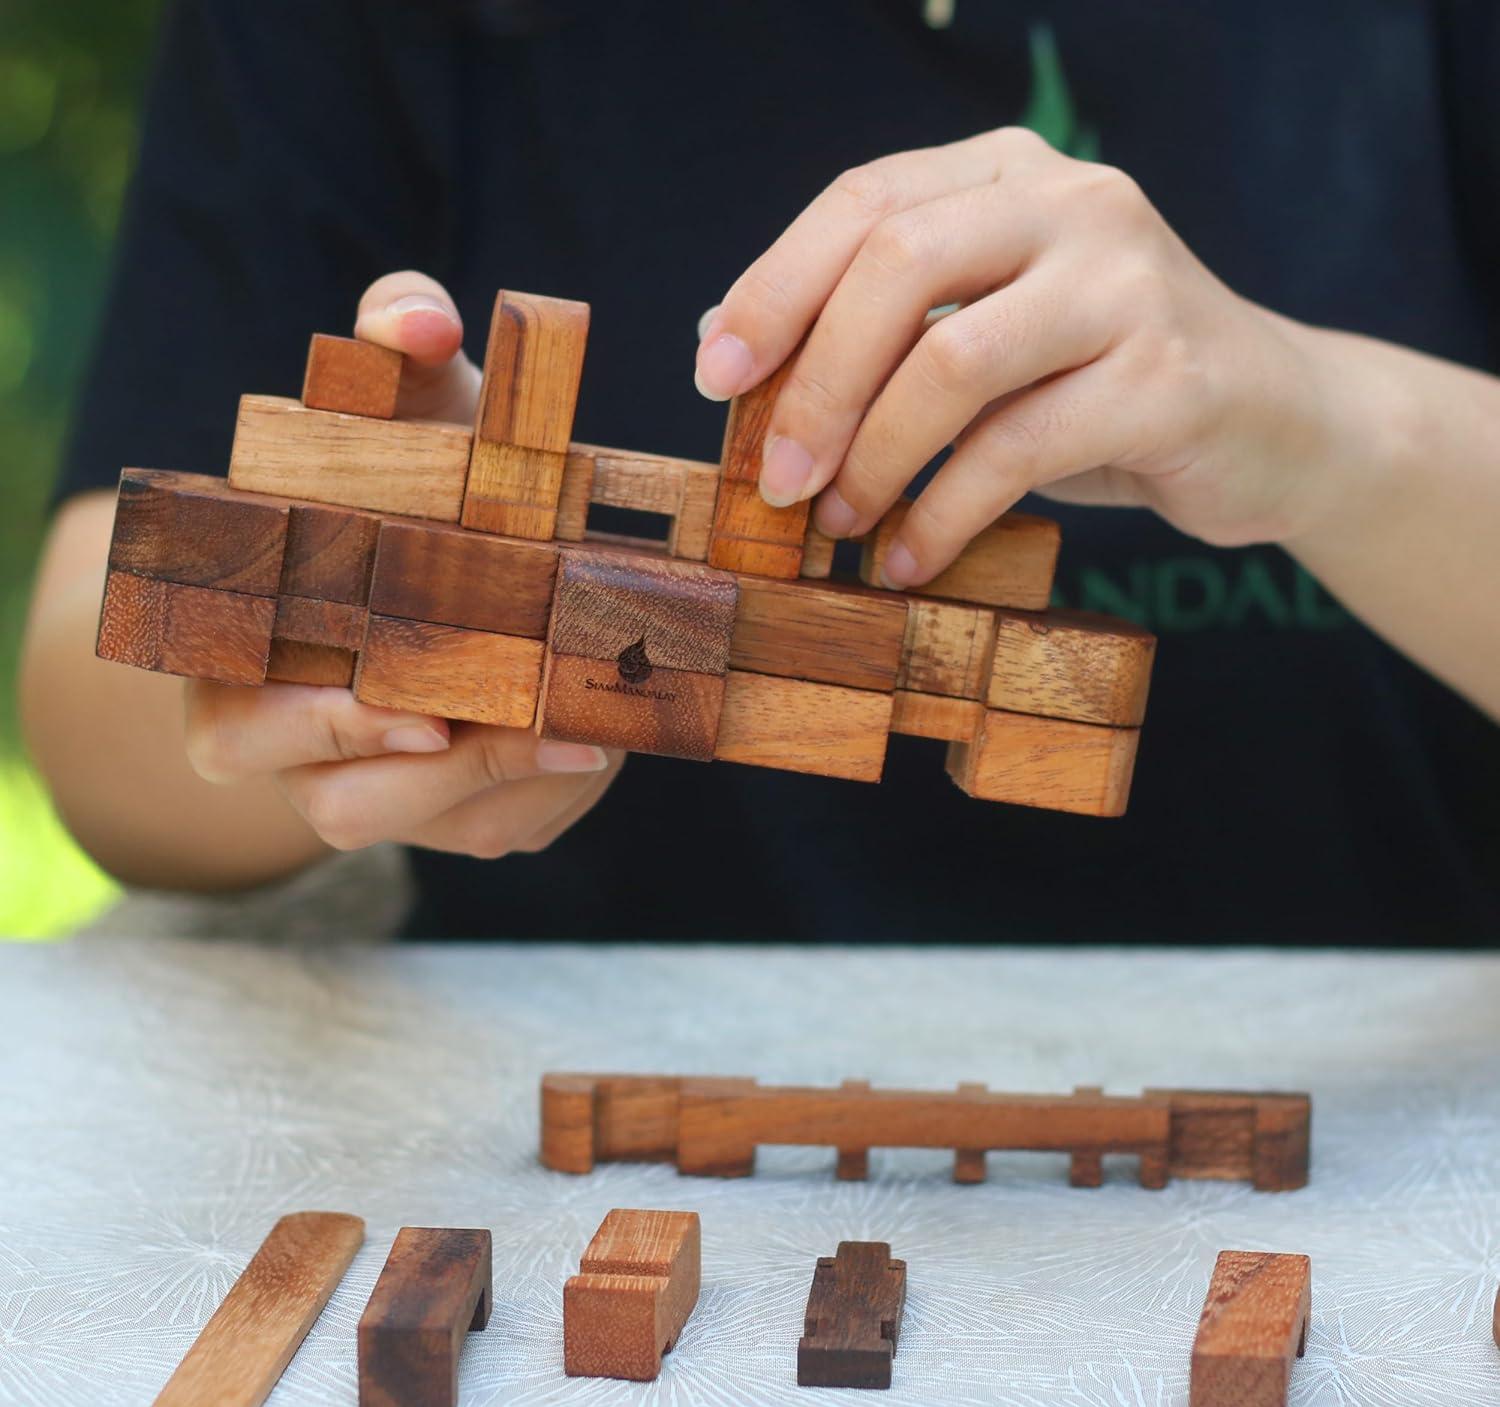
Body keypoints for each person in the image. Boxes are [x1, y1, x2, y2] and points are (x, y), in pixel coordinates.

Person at [18, 1, 1500, 943]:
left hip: (1384, 1105)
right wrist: (341, 663)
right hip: (551, 1124)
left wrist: (1327, 431)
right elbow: (97, 695)